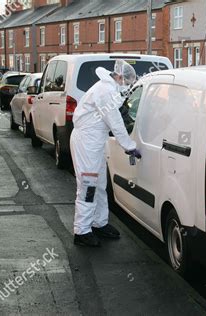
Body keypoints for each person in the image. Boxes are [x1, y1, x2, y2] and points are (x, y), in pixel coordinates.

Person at [70, 60, 141, 247]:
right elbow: (115, 122)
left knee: (99, 183)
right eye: (124, 82)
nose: (124, 86)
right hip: (87, 142)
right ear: (118, 77)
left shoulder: (108, 87)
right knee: (89, 185)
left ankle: (99, 223)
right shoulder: (105, 91)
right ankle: (82, 230)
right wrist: (129, 145)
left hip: (94, 141)